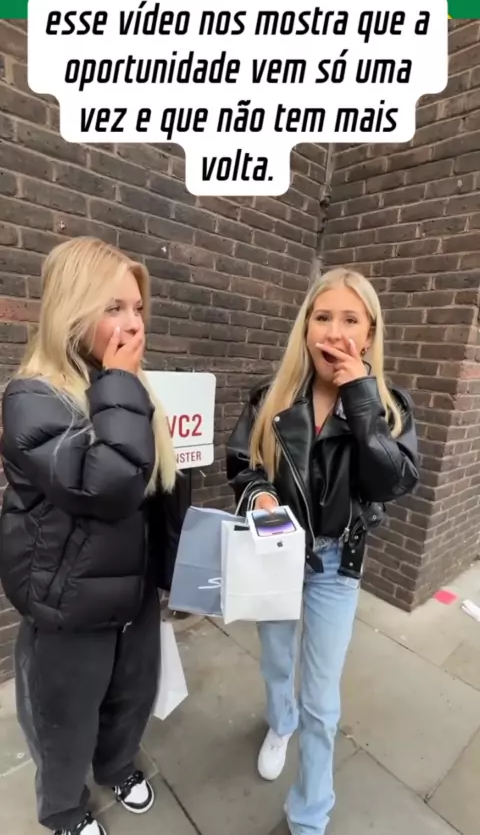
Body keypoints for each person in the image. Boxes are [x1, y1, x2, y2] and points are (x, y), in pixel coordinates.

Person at [0, 237, 186, 835]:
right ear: (72, 310)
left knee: (131, 696)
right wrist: (122, 383)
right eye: (113, 307)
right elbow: (105, 486)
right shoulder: (33, 398)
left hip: (133, 594)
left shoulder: (126, 387)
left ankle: (118, 766)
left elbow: (155, 490)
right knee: (64, 719)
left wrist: (173, 571)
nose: (133, 323)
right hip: (70, 601)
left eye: (137, 308)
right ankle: (63, 809)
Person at [226, 267, 419, 835]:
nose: (334, 332)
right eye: (322, 317)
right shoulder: (273, 396)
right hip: (276, 554)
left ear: (370, 332)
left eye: (350, 319)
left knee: (323, 699)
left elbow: (392, 481)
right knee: (276, 660)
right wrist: (260, 495)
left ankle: (310, 814)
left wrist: (360, 399)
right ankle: (279, 722)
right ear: (305, 326)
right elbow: (243, 462)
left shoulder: (387, 406)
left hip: (338, 562)